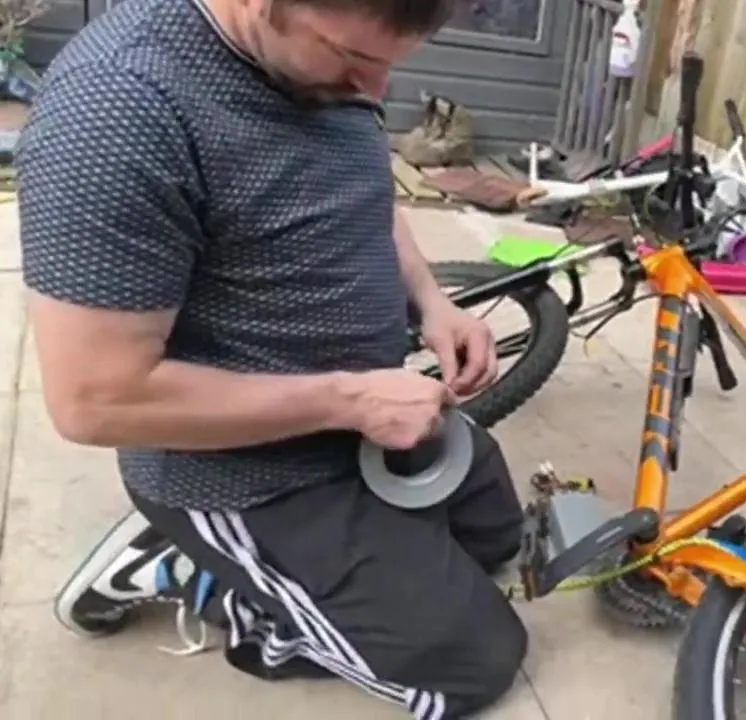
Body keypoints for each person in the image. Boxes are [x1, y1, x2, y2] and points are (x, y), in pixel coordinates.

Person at [16, 0, 530, 717]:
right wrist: (350, 401)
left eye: (388, 64)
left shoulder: (324, 61)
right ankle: (204, 574)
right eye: (354, 58)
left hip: (365, 418)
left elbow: (364, 188)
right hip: (248, 472)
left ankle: (303, 570)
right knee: (473, 663)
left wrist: (432, 302)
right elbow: (94, 401)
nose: (376, 89)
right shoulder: (117, 110)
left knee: (496, 540)